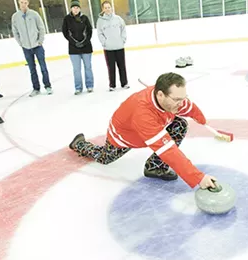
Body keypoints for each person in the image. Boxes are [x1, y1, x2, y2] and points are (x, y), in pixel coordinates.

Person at [69, 72, 216, 189]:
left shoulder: (172, 100)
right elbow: (167, 150)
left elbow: (188, 107)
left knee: (180, 124)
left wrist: (202, 120)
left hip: (153, 126)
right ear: (160, 95)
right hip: (124, 137)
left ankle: (154, 167)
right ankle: (79, 144)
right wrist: (198, 178)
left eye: (183, 98)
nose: (181, 103)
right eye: (177, 99)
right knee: (105, 158)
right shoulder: (143, 113)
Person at [11, 0, 53, 97]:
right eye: (21, 2)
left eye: (25, 3)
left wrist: (40, 41)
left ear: (28, 3)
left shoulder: (34, 14)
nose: (23, 5)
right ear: (18, 3)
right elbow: (15, 31)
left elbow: (41, 28)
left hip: (37, 46)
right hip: (26, 47)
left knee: (43, 67)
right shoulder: (15, 16)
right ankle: (36, 88)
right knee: (32, 69)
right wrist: (21, 43)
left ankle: (47, 86)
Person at [62, 0, 94, 95]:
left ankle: (89, 85)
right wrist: (73, 42)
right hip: (73, 49)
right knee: (76, 69)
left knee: (88, 67)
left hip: (86, 47)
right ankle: (78, 87)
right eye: (73, 8)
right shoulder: (67, 19)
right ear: (71, 9)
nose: (75, 9)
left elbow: (89, 31)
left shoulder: (84, 18)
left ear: (79, 8)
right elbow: (65, 32)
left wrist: (84, 42)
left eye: (77, 7)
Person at [96, 0, 129, 91]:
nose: (107, 9)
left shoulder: (118, 19)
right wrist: (104, 43)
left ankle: (124, 83)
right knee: (111, 67)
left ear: (111, 8)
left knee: (122, 66)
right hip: (108, 48)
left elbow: (123, 30)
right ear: (103, 9)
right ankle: (112, 85)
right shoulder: (100, 21)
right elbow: (99, 33)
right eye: (105, 8)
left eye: (109, 7)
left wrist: (122, 40)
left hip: (119, 46)